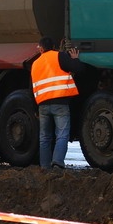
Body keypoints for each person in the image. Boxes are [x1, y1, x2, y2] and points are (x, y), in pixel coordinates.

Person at [31, 36, 80, 172]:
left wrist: (36, 109)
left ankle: (44, 167)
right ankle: (57, 163)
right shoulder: (59, 56)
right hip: (60, 103)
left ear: (41, 48)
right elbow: (77, 68)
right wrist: (75, 58)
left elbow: (32, 89)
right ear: (53, 46)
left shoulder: (35, 63)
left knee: (44, 137)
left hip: (43, 105)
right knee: (62, 135)